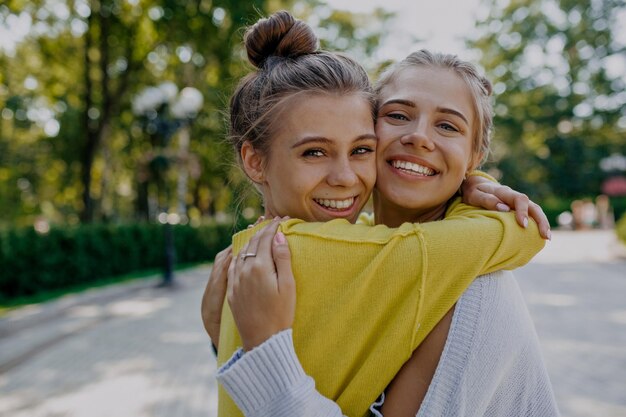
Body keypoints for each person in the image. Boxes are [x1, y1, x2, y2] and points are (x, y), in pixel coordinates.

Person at [204, 11, 555, 417]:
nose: (418, 137)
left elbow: (523, 231)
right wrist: (226, 337)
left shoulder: (474, 284)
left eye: (448, 126)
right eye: (398, 115)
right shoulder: (347, 247)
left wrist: (257, 351)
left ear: (475, 157)